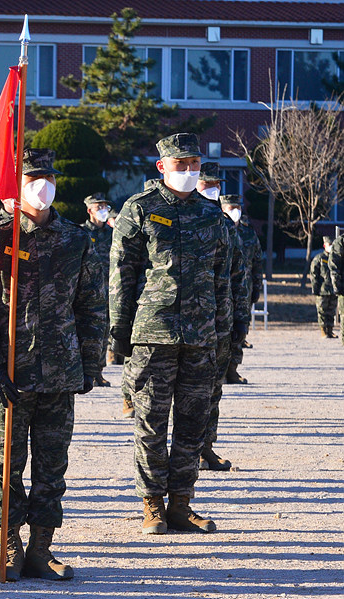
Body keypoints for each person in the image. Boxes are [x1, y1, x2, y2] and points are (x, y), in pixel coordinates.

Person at [0, 148, 104, 582]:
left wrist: (90, 366)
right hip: (11, 373)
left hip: (60, 372)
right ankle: (9, 545)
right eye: (32, 179)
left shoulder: (76, 238)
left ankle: (42, 548)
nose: (43, 186)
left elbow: (93, 306)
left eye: (49, 177)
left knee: (51, 464)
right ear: (14, 187)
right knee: (6, 464)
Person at [110, 133, 228, 536]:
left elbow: (222, 280)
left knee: (193, 423)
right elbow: (122, 278)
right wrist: (119, 333)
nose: (190, 171)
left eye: (195, 164)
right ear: (162, 167)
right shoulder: (138, 210)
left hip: (200, 336)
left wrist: (223, 334)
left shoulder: (212, 216)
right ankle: (152, 504)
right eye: (181, 165)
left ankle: (182, 504)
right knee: (151, 422)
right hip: (153, 333)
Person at [197, 166, 249, 473]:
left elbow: (237, 276)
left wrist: (240, 322)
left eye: (217, 184)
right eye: (207, 183)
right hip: (178, 325)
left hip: (219, 323)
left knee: (212, 392)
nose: (212, 189)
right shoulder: (167, 217)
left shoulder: (225, 225)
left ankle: (205, 449)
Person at [223, 196, 263, 383]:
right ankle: (217, 372)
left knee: (240, 331)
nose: (236, 211)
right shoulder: (217, 228)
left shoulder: (248, 233)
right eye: (232, 207)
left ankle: (232, 370)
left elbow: (257, 262)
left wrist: (256, 287)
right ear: (223, 209)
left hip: (243, 291)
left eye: (238, 207)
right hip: (221, 289)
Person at [82, 192, 113, 387]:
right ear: (89, 210)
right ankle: (87, 370)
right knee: (90, 331)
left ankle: (98, 371)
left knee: (105, 331)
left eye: (105, 207)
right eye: (98, 207)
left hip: (110, 288)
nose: (103, 210)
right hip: (89, 290)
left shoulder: (112, 233)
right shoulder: (82, 233)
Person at [310, 236, 337, 338]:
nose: (331, 247)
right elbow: (314, 274)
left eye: (332, 245)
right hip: (322, 290)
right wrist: (315, 287)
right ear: (324, 245)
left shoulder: (335, 258)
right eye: (329, 245)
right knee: (322, 311)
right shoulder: (319, 258)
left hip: (333, 290)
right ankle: (323, 331)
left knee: (331, 311)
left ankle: (330, 330)